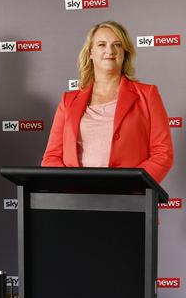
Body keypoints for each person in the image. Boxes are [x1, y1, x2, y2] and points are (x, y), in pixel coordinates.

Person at [42, 21, 173, 183]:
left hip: (128, 198)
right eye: (101, 45)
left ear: (125, 52)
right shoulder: (68, 101)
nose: (109, 51)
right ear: (90, 52)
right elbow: (52, 156)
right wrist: (70, 187)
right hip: (77, 197)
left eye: (117, 45)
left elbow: (163, 153)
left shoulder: (148, 94)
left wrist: (131, 185)